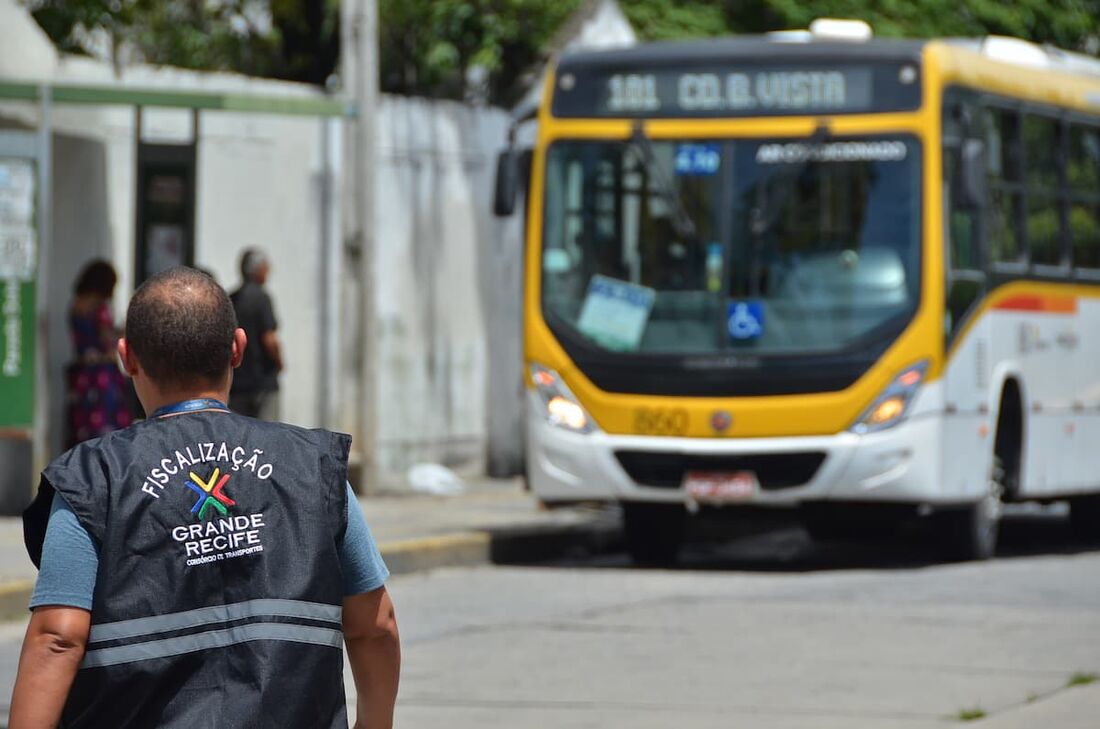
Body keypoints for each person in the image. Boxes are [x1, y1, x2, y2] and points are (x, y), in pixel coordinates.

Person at [12, 267, 400, 728]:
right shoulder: (314, 468)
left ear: (126, 357)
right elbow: (376, 625)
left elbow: (57, 638)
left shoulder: (91, 479)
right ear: (237, 347)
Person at [66, 260, 131, 447]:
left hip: (81, 377)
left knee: (83, 431)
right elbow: (107, 340)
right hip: (102, 378)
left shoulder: (76, 305)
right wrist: (123, 331)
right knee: (107, 434)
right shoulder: (100, 308)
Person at [229, 249, 283, 420]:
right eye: (266, 267)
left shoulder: (232, 298)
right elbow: (270, 340)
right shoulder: (262, 298)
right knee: (267, 438)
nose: (268, 271)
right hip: (262, 383)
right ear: (258, 269)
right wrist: (279, 362)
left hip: (237, 382)